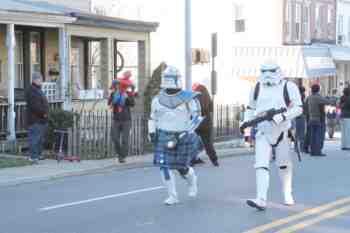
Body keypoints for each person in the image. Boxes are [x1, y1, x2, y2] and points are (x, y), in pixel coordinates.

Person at [242, 61, 302, 210]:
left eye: (271, 71)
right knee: (261, 165)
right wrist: (246, 123)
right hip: (263, 131)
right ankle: (261, 198)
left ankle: (287, 193)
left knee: (283, 165)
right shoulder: (256, 87)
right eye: (264, 71)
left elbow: (298, 108)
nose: (267, 75)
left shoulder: (289, 86)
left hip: (282, 130)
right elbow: (250, 108)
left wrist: (283, 116)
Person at [148, 66, 203, 205]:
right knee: (164, 166)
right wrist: (152, 132)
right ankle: (173, 195)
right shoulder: (157, 99)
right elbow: (153, 117)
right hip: (163, 135)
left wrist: (188, 131)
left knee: (181, 167)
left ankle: (192, 182)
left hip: (182, 135)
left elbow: (196, 117)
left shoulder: (189, 98)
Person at [108, 71, 135, 163]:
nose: (119, 87)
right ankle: (120, 154)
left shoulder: (128, 94)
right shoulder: (113, 94)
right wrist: (114, 99)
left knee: (125, 140)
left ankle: (122, 156)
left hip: (126, 120)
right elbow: (109, 104)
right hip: (116, 119)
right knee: (114, 138)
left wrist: (127, 97)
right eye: (117, 85)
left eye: (120, 85)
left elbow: (132, 104)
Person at [191, 83, 219, 166]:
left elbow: (192, 110)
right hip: (206, 123)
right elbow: (211, 110)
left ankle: (192, 159)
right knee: (208, 143)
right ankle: (214, 160)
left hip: (197, 123)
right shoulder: (208, 98)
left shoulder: (194, 98)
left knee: (192, 142)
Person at [25, 72, 49, 164]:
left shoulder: (38, 89)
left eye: (41, 79)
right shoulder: (32, 90)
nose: (42, 81)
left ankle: (38, 155)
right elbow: (35, 106)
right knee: (34, 139)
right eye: (40, 79)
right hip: (35, 119)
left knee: (40, 139)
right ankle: (33, 157)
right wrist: (44, 114)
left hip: (41, 120)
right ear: (35, 80)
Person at [304, 84, 333, 156]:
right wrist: (329, 98)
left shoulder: (309, 97)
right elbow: (328, 102)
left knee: (312, 136)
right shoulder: (318, 97)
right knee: (319, 136)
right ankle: (318, 151)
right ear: (318, 90)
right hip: (318, 119)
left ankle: (312, 151)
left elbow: (305, 107)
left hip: (311, 118)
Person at [294, 86, 306, 152]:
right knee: (301, 132)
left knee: (297, 133)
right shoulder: (300, 99)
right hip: (301, 116)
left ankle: (296, 147)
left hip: (296, 116)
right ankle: (301, 147)